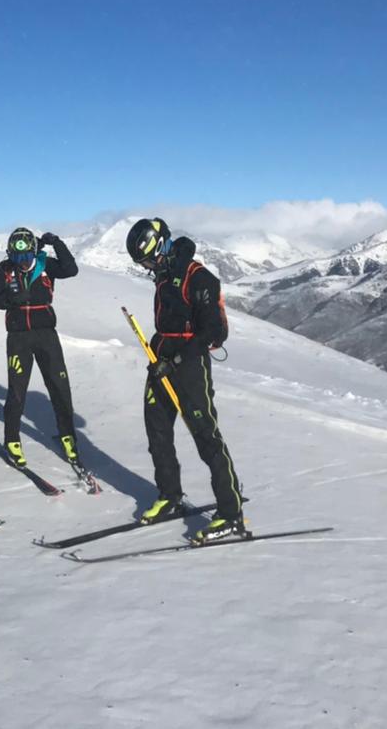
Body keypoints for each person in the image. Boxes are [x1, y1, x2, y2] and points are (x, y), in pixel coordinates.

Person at [126, 218, 245, 543]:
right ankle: (170, 495)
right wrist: (161, 357)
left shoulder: (198, 277)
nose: (147, 268)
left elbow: (212, 332)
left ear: (162, 247)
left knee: (206, 435)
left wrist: (175, 361)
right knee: (157, 431)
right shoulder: (164, 275)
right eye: (143, 263)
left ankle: (230, 512)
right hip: (161, 358)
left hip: (189, 364)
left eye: (148, 260)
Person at [0, 227, 82, 468]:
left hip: (46, 335)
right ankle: (12, 439)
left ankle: (68, 436)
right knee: (17, 390)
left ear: (33, 251)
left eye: (26, 256)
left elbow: (71, 269)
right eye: (16, 257)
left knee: (59, 386)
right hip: (18, 337)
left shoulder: (45, 265)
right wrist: (13, 300)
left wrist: (57, 242)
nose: (22, 262)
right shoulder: (4, 269)